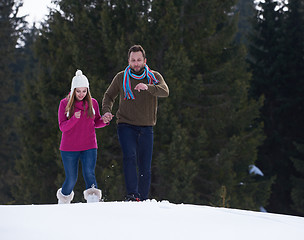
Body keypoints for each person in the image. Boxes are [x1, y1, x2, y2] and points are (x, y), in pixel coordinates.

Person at [101, 45, 169, 201]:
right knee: (130, 157)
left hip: (146, 126)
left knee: (145, 164)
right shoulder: (121, 77)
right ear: (128, 61)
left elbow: (165, 91)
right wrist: (106, 111)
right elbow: (109, 95)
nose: (136, 63)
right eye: (133, 60)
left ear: (145, 61)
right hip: (126, 124)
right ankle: (132, 195)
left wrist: (149, 87)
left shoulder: (154, 76)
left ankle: (143, 198)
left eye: (139, 60)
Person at [56, 69, 110, 204]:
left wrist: (104, 120)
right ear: (73, 90)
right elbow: (62, 127)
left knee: (89, 173)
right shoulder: (65, 104)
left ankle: (93, 200)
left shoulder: (93, 103)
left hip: (89, 146)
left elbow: (96, 122)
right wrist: (74, 118)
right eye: (78, 91)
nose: (81, 94)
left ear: (88, 90)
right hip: (69, 148)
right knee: (71, 178)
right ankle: (64, 198)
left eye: (84, 91)